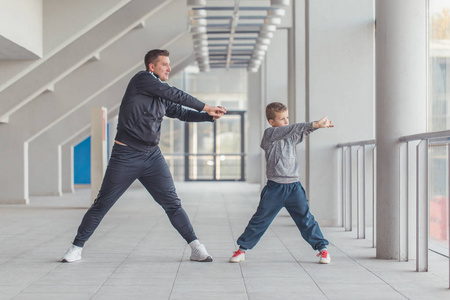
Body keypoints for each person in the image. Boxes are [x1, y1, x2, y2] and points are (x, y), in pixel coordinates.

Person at [62, 49, 226, 263]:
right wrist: (206, 106)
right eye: (164, 64)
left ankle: (196, 247)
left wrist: (208, 117)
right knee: (102, 204)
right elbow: (175, 94)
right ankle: (76, 248)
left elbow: (180, 111)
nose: (169, 67)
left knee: (172, 204)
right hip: (126, 155)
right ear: (152, 66)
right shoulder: (142, 80)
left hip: (152, 156)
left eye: (169, 64)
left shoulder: (159, 95)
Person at [230, 102, 332, 264]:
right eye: (282, 119)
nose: (286, 121)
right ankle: (242, 250)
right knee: (260, 220)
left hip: (294, 188)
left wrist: (318, 126)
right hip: (274, 188)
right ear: (272, 122)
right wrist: (314, 123)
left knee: (306, 220)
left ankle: (323, 250)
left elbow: (301, 131)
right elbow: (291, 129)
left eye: (287, 118)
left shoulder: (290, 138)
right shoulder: (269, 134)